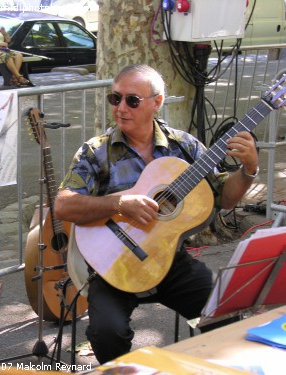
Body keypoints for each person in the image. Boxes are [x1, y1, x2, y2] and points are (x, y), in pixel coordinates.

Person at [54, 64, 259, 364]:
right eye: (115, 98)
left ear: (157, 102)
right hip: (113, 266)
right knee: (106, 332)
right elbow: (63, 205)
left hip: (170, 262)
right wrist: (118, 204)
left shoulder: (183, 146)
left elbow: (224, 197)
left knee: (226, 311)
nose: (121, 108)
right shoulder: (95, 151)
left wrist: (249, 169)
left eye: (132, 100)